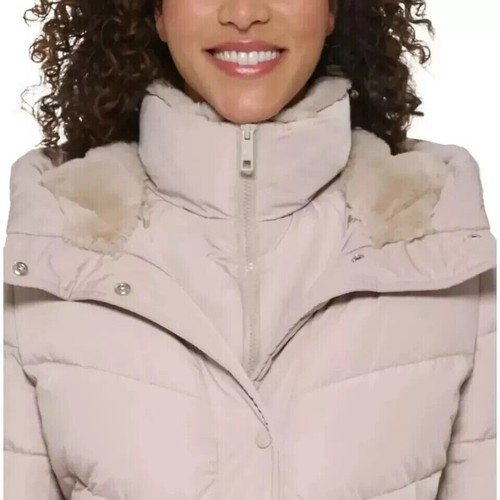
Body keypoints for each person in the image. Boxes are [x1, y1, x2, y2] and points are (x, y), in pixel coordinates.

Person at [3, 0, 497, 498]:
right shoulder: (56, 243)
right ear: (155, 12)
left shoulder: (438, 235)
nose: (244, 13)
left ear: (333, 10)